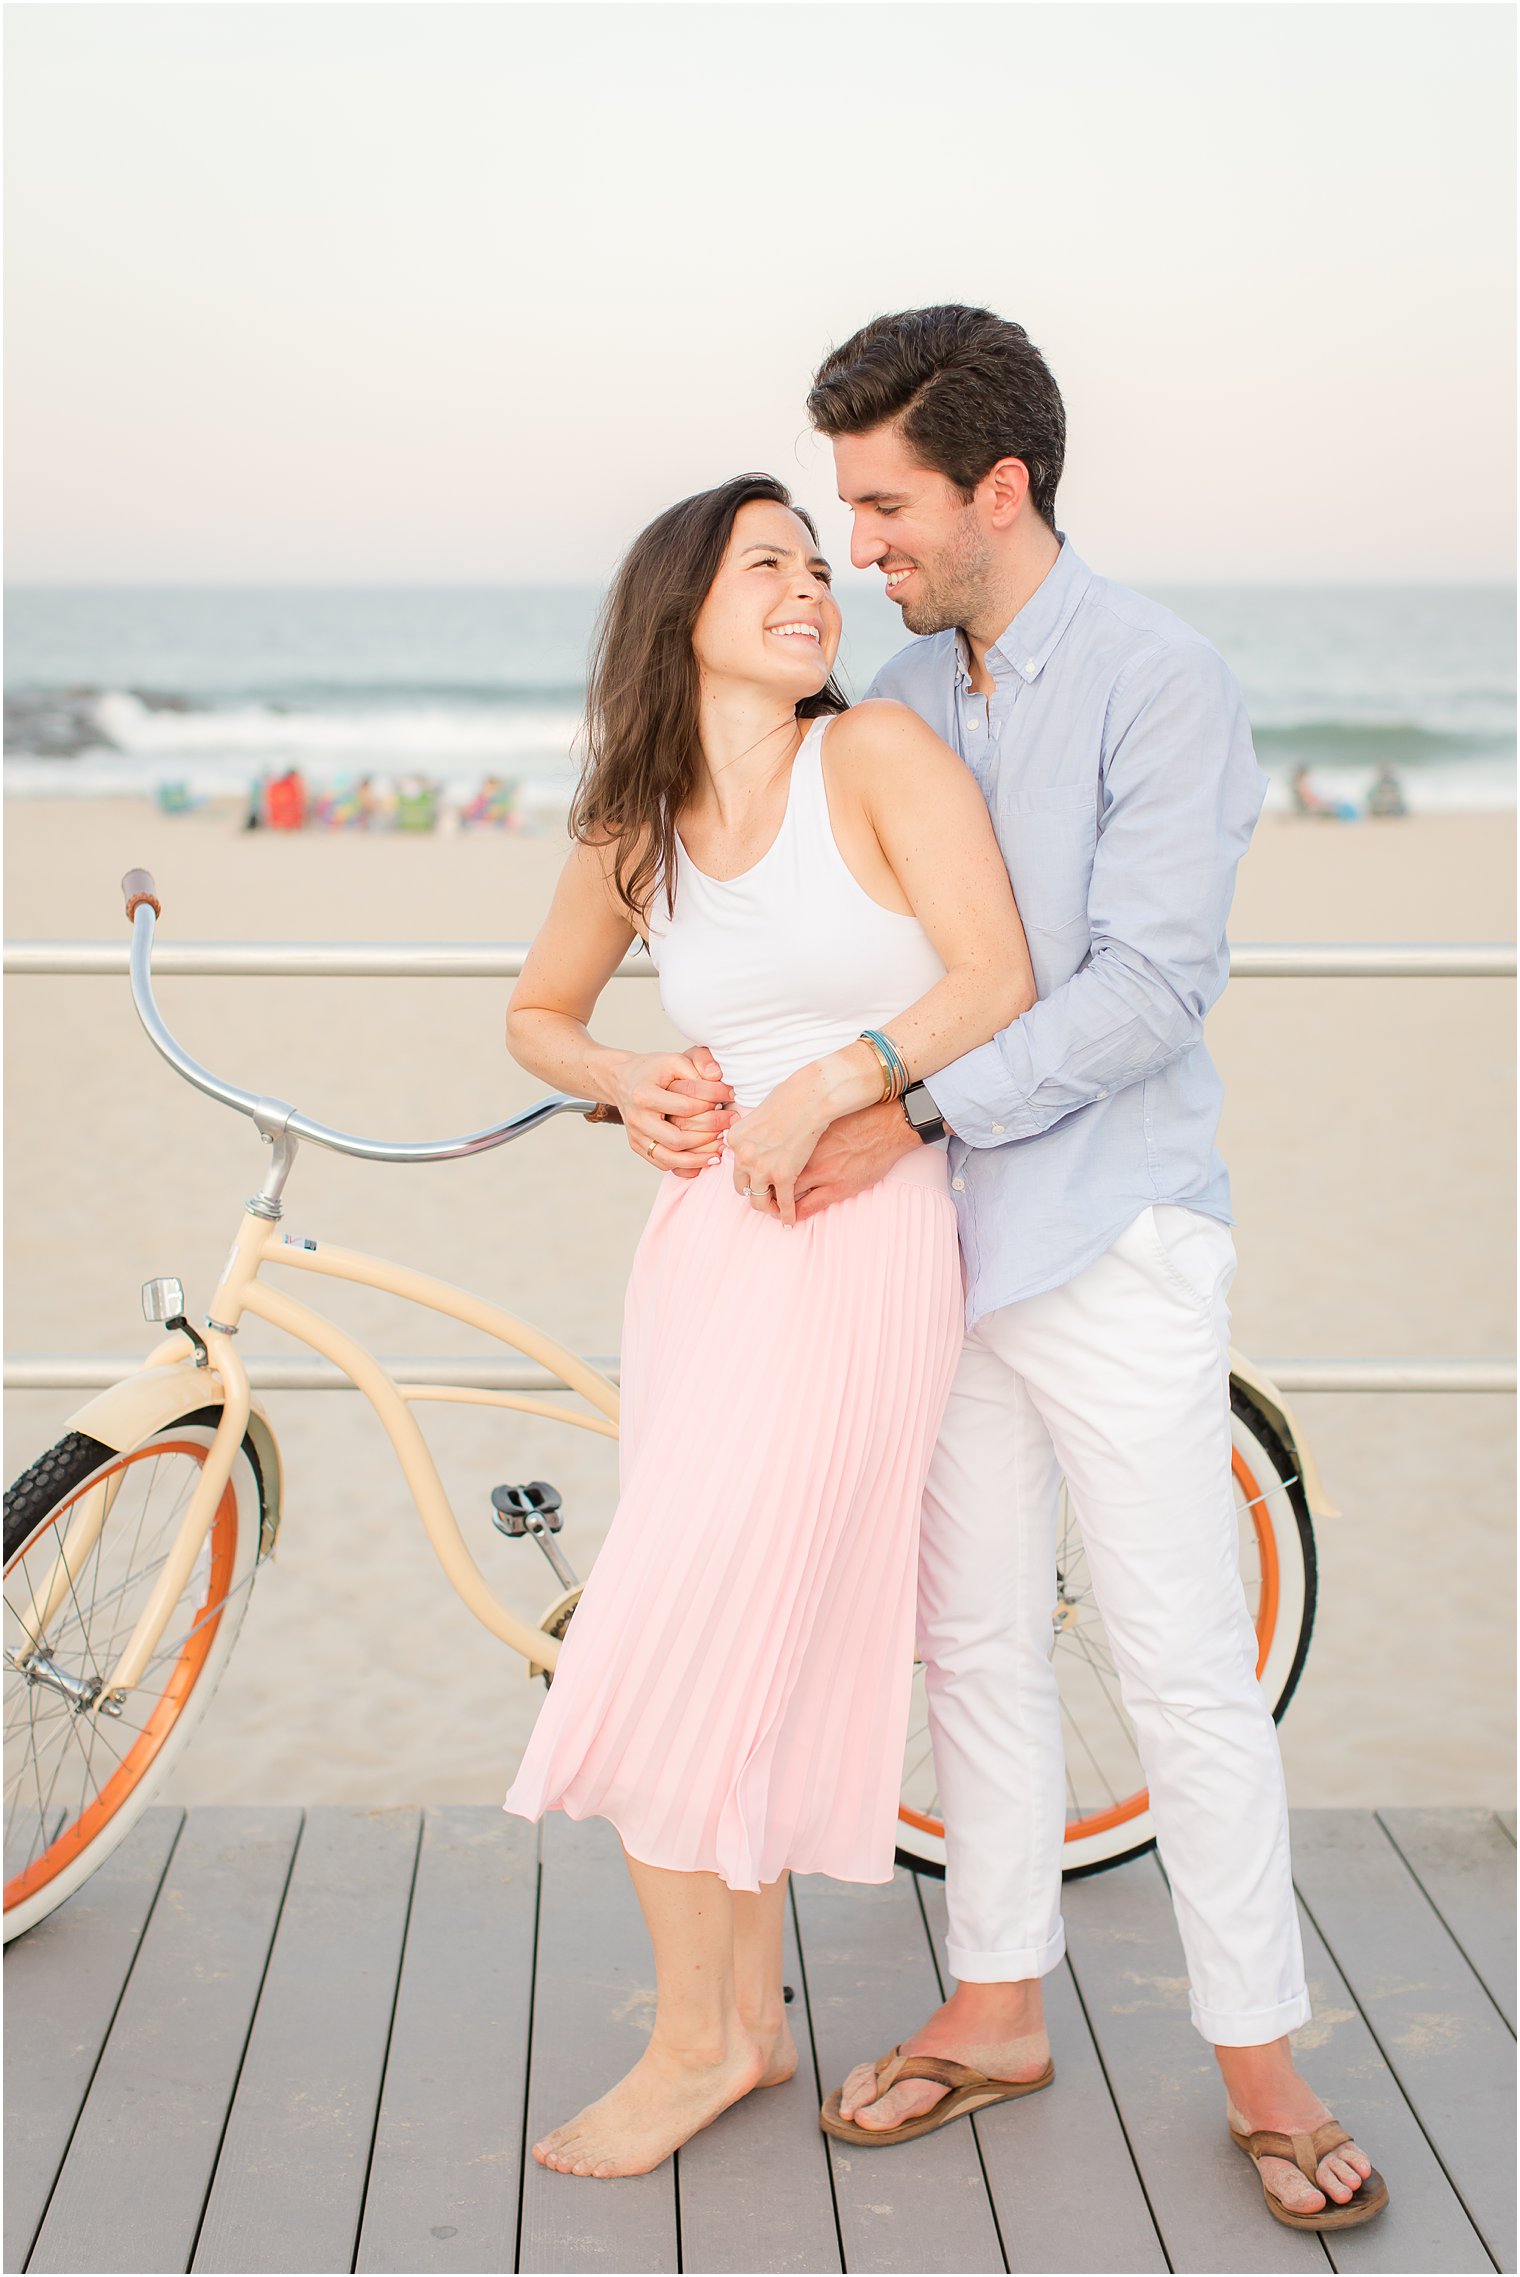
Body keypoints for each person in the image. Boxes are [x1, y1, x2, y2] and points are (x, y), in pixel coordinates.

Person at [671, 306, 1384, 2232]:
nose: (862, 544)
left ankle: (1264, 2060)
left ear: (1001, 488)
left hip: (1112, 1231)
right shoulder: (892, 691)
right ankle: (995, 2006)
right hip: (927, 1265)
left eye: (885, 505)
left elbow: (1149, 990)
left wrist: (905, 1110)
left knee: (1176, 1666)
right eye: (841, 512)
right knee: (970, 1644)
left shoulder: (1161, 678)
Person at [502, 472, 1034, 2179]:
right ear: (681, 613)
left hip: (862, 1243)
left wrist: (832, 1084)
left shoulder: (869, 756)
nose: (814, 584)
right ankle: (736, 2024)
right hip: (704, 1259)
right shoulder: (635, 816)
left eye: (823, 563)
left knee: (662, 1624)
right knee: (711, 1639)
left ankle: (694, 2039)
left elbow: (993, 974)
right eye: (769, 565)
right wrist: (620, 1076)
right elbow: (536, 1012)